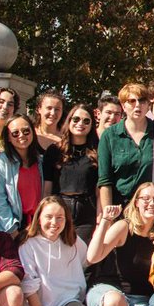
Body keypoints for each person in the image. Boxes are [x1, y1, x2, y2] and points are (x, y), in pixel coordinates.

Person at [17, 196, 92, 306]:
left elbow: (88, 259)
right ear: (39, 218)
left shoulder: (72, 240)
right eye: (49, 217)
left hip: (65, 305)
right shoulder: (28, 245)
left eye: (60, 217)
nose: (54, 222)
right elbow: (29, 288)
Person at [45, 103, 99, 243]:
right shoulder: (54, 151)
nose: (80, 123)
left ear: (92, 125)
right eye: (76, 119)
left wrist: (100, 219)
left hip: (87, 213)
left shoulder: (98, 152)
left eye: (86, 121)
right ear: (69, 121)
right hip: (60, 210)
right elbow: (47, 187)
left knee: (83, 259)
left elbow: (100, 189)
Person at [97, 83, 154, 209]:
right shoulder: (109, 136)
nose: (138, 105)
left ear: (148, 105)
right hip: (120, 207)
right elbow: (104, 181)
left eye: (142, 100)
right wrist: (108, 217)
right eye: (131, 101)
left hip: (152, 207)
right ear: (123, 105)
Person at [0, 114, 44, 237]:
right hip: (9, 228)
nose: (21, 136)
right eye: (15, 133)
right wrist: (12, 230)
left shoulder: (40, 161)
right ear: (8, 137)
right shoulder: (0, 162)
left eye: (26, 131)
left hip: (36, 225)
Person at [33, 91, 66, 157]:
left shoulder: (66, 137)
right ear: (39, 109)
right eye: (49, 108)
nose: (53, 113)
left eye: (57, 109)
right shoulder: (29, 133)